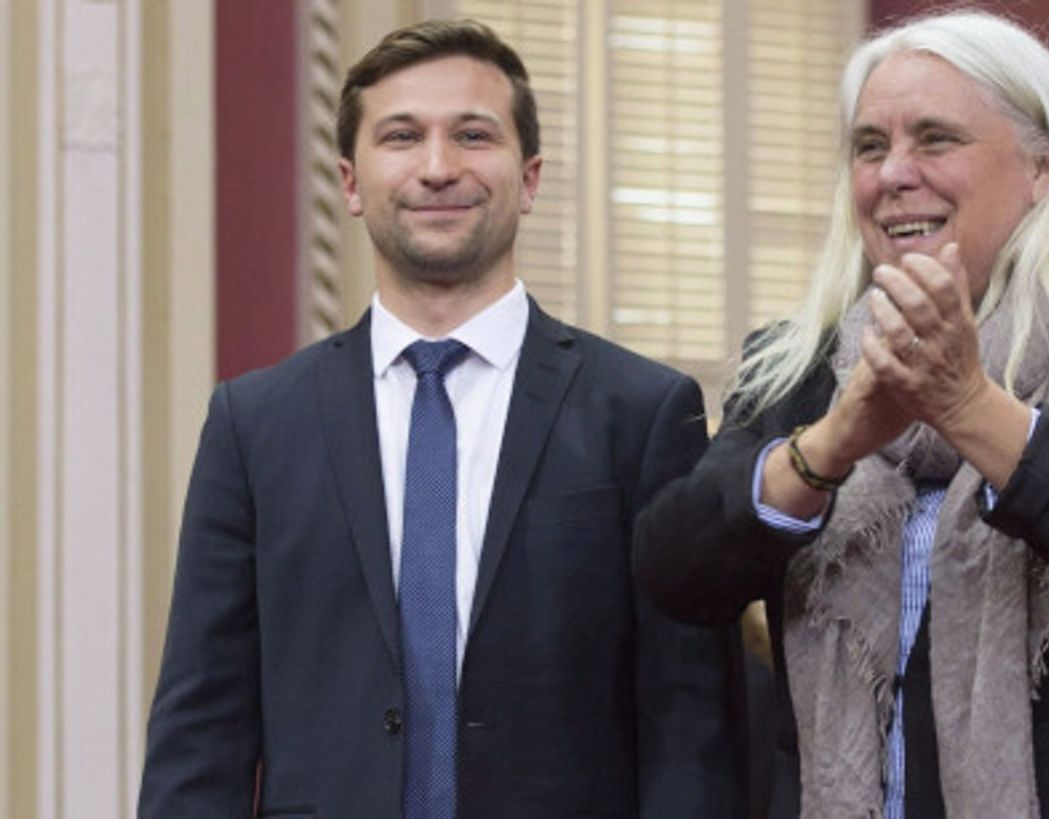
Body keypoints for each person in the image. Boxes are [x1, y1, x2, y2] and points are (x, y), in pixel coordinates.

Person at [634, 10, 1049, 819]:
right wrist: (831, 444)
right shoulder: (797, 363)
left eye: (935, 139)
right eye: (870, 146)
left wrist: (969, 407)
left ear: (1042, 166)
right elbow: (675, 571)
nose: (893, 173)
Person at [139, 19, 744, 819]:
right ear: (350, 184)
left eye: (472, 135)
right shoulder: (253, 426)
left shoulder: (642, 413)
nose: (437, 167)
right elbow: (200, 732)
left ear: (529, 178)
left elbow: (689, 733)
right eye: (401, 136)